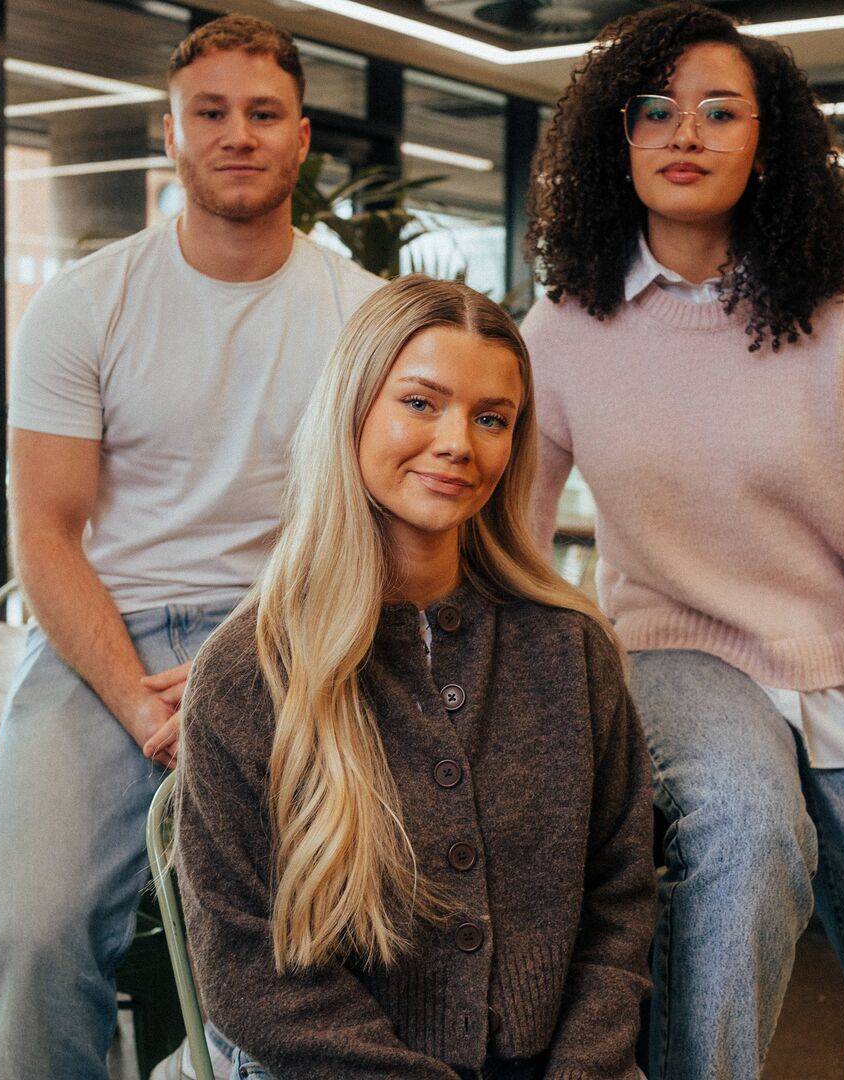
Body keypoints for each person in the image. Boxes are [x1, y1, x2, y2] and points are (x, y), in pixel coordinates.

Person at [521, 5, 844, 1078]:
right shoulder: (563, 328)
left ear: (767, 145)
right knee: (749, 826)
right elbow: (509, 535)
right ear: (620, 139)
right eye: (656, 110)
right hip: (677, 656)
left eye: (719, 111)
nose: (685, 133)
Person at [0, 16, 383, 1076]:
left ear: (301, 142)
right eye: (211, 113)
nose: (236, 134)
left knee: (332, 932)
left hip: (294, 638)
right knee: (32, 935)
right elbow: (48, 536)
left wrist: (260, 660)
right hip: (108, 643)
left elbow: (371, 536)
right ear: (170, 134)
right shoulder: (84, 304)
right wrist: (139, 701)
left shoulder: (366, 318)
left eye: (263, 114)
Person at [176, 275, 656, 1080]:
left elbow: (619, 904)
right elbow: (248, 972)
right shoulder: (246, 672)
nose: (458, 444)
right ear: (355, 407)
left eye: (491, 418)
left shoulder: (571, 649)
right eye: (422, 403)